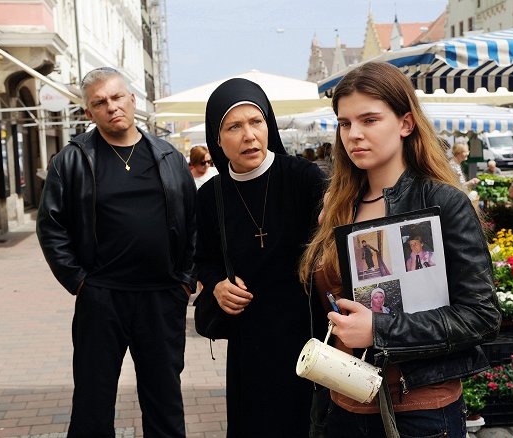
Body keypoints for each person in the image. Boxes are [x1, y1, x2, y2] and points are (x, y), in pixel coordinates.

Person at [299, 62, 500, 438]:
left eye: (370, 120)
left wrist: (380, 329)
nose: (354, 134)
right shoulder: (340, 205)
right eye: (345, 124)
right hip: (342, 400)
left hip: (418, 409)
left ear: (406, 123)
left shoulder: (443, 202)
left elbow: (481, 316)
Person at [36, 67, 196, 437]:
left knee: (164, 400)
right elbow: (51, 226)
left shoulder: (168, 156)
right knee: (93, 401)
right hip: (101, 298)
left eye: (117, 97)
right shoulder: (72, 160)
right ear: (89, 113)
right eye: (99, 102)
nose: (111, 107)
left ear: (132, 100)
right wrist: (78, 282)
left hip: (161, 296)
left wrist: (186, 280)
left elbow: (194, 221)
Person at [195, 78, 326, 437]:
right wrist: (218, 286)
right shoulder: (211, 196)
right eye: (234, 127)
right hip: (248, 339)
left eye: (256, 122)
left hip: (307, 332)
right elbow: (203, 258)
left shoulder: (304, 178)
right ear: (217, 138)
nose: (249, 135)